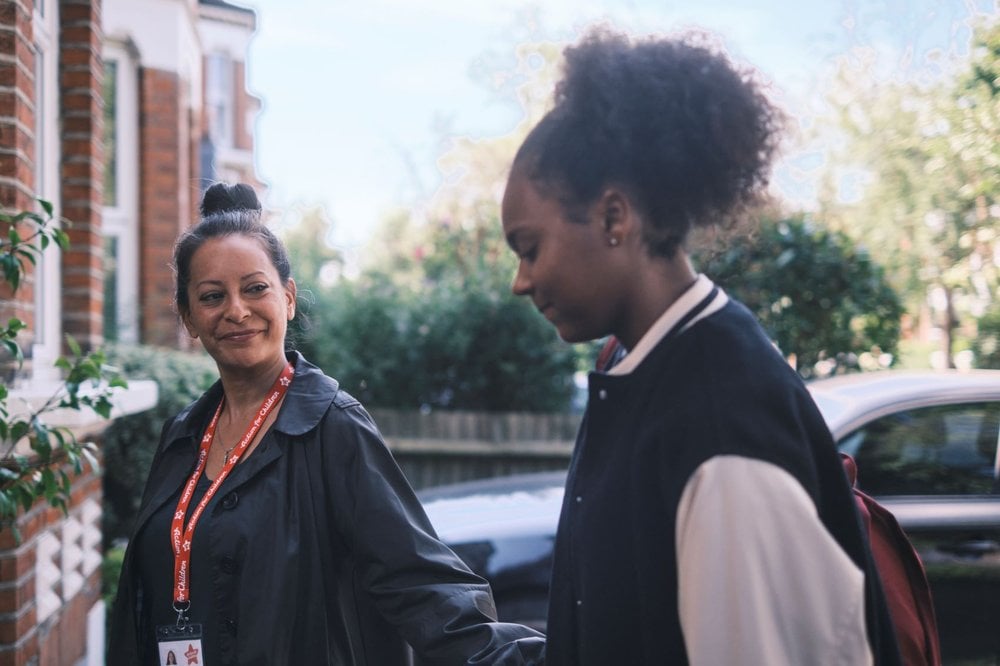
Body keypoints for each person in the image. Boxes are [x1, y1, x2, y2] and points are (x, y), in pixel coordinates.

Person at [500, 28, 903, 665]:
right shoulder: (639, 363)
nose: (520, 281)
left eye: (529, 249)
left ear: (614, 218)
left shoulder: (719, 431)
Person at [108, 183, 545, 665]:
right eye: (213, 296)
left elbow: (419, 580)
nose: (236, 310)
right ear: (189, 318)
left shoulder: (333, 426)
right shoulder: (182, 435)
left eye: (255, 288)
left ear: (288, 298)